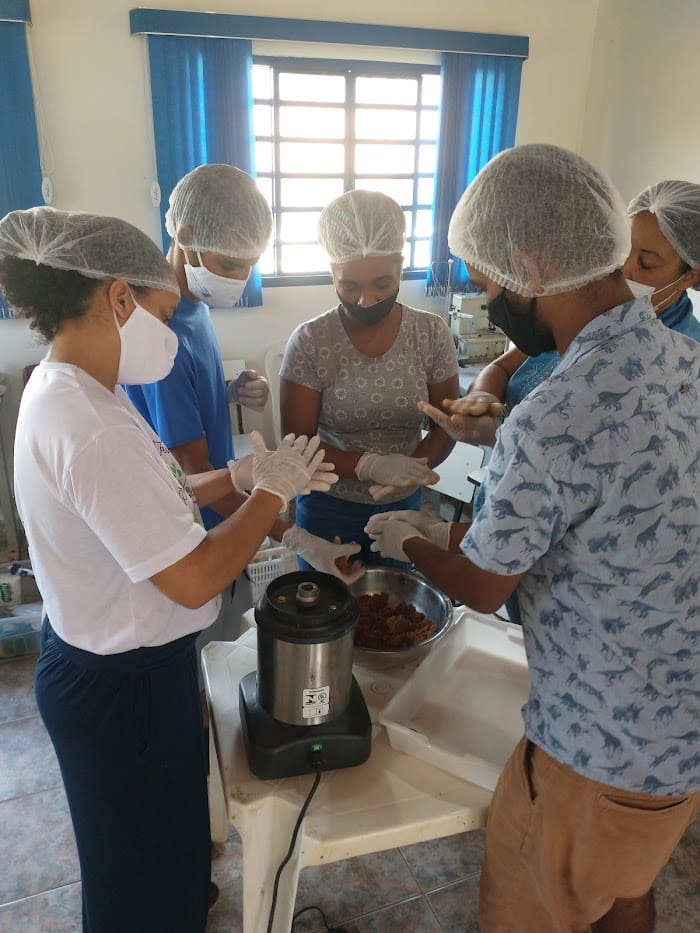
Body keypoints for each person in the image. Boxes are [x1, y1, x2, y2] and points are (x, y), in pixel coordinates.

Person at [365, 145, 700, 933]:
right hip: (677, 730)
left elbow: (485, 585)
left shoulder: (557, 410)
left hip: (593, 743)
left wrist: (408, 537)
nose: (485, 299)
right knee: (624, 889)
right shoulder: (682, 359)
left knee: (530, 901)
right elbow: (600, 510)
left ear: (529, 264)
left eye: (484, 279)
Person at [0, 206, 336, 933]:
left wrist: (239, 476)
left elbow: (159, 494)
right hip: (120, 689)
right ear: (119, 296)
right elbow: (193, 578)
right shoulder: (86, 425)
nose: (173, 327)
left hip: (128, 667)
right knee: (135, 887)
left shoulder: (82, 390)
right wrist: (274, 491)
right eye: (164, 308)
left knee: (170, 854)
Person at [423, 178, 700, 624]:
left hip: (588, 600)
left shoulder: (676, 361)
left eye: (646, 263)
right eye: (622, 252)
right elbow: (505, 372)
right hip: (529, 561)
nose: (626, 272)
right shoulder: (582, 321)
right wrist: (486, 406)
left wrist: (416, 541)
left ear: (691, 274)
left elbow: (482, 585)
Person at [126, 164, 364, 651]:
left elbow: (183, 397)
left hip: (217, 532)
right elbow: (198, 480)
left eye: (250, 264)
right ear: (186, 237)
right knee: (203, 665)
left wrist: (231, 389)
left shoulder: (190, 308)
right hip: (195, 537)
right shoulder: (161, 332)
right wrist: (292, 534)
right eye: (231, 264)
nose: (242, 277)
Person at [279, 189, 460, 568]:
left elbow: (446, 426)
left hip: (403, 511)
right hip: (327, 510)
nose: (366, 300)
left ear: (401, 264)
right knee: (326, 620)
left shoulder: (429, 333)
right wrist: (368, 465)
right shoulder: (312, 341)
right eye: (350, 286)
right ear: (332, 274)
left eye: (382, 283)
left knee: (397, 617)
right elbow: (298, 446)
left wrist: (412, 471)